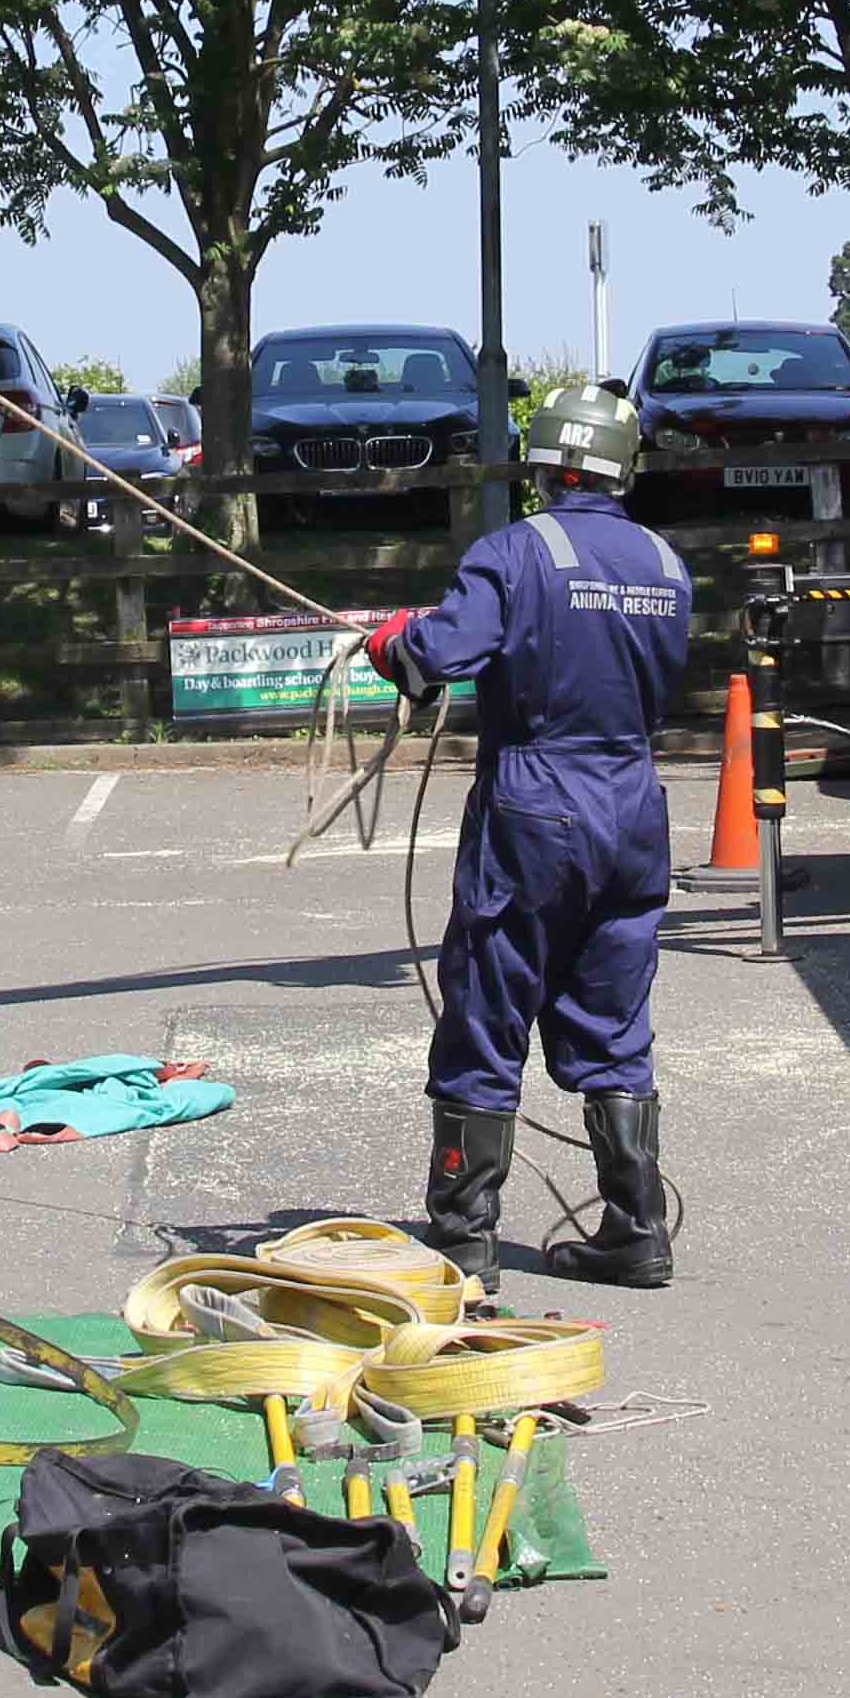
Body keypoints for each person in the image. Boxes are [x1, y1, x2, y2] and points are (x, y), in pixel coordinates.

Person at [362, 382, 696, 1288]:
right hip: (632, 804)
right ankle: (637, 1231)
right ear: (622, 469)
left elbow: (439, 653)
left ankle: (462, 1243)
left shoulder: (516, 552)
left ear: (545, 464)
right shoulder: (666, 563)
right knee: (614, 1019)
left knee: (488, 1008)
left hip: (536, 803)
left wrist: (393, 643)